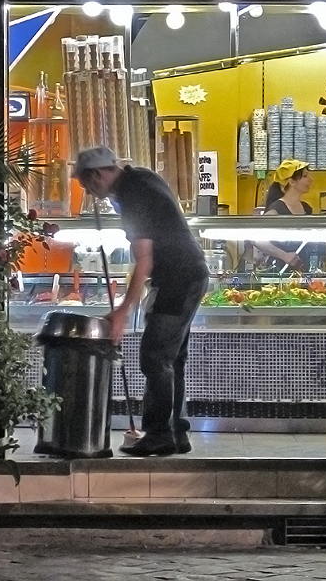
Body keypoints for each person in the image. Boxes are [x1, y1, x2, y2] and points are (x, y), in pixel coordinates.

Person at [71, 145, 209, 457]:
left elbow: (144, 259)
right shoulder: (142, 178)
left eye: (86, 186)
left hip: (178, 278)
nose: (92, 194)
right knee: (172, 360)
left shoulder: (133, 195)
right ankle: (176, 432)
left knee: (155, 356)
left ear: (96, 176)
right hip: (187, 274)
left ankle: (159, 434)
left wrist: (122, 310)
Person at [255, 159, 325, 272]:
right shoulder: (276, 210)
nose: (311, 179)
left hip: (303, 271)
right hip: (279, 273)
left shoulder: (306, 208)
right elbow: (258, 239)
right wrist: (284, 255)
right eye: (305, 176)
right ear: (291, 182)